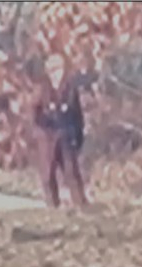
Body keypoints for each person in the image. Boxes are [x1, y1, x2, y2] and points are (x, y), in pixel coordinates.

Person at [33, 54, 88, 208]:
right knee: (48, 174)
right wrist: (41, 128)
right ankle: (52, 206)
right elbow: (33, 114)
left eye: (59, 69)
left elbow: (78, 115)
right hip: (47, 138)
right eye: (53, 70)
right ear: (48, 72)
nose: (57, 73)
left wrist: (79, 136)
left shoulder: (70, 88)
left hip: (65, 136)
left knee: (71, 172)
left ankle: (81, 205)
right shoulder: (41, 88)